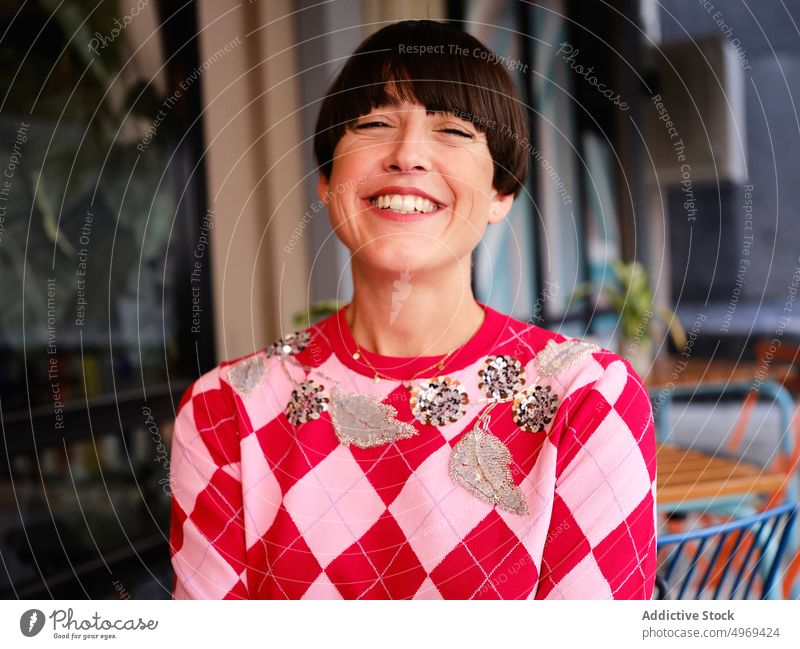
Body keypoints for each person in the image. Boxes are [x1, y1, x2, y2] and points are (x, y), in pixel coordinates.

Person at [169, 19, 656, 600]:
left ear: (501, 193)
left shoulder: (587, 398)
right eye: (374, 123)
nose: (408, 155)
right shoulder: (225, 411)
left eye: (453, 130)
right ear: (327, 180)